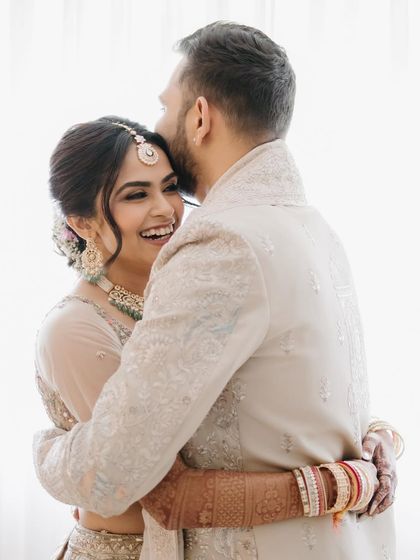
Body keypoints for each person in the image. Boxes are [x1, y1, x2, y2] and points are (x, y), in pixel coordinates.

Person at [34, 23, 401, 559]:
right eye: (135, 195)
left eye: (166, 106)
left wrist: (47, 454)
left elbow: (120, 471)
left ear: (201, 116)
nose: (164, 209)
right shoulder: (313, 227)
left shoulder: (220, 244)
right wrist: (358, 472)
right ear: (83, 222)